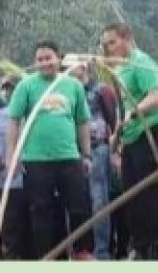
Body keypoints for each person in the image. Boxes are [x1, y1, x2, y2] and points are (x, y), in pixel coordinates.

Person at [6, 41, 94, 260]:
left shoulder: (73, 86)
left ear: (59, 59)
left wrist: (87, 154)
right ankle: (47, 257)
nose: (45, 63)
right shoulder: (26, 86)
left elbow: (83, 122)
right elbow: (13, 120)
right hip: (36, 161)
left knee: (79, 207)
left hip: (69, 157)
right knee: (41, 211)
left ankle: (82, 253)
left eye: (49, 58)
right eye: (40, 59)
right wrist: (12, 154)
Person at [102, 23, 158, 260]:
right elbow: (125, 104)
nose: (108, 48)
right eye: (106, 44)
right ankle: (141, 246)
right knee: (132, 194)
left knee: (149, 192)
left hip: (149, 130)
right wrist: (118, 133)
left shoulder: (140, 61)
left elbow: (156, 95)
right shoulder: (121, 68)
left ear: (127, 38)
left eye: (112, 42)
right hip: (131, 135)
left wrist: (134, 113)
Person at [71, 62, 117, 260]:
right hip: (72, 152)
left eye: (70, 65)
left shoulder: (101, 90)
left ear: (83, 68)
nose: (67, 69)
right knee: (78, 202)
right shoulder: (67, 90)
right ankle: (82, 251)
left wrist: (115, 149)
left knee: (99, 200)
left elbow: (112, 120)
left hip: (98, 149)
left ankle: (102, 251)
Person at [0, 93, 32, 259]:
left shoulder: (32, 114)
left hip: (30, 181)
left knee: (31, 228)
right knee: (10, 229)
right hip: (7, 183)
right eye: (7, 90)